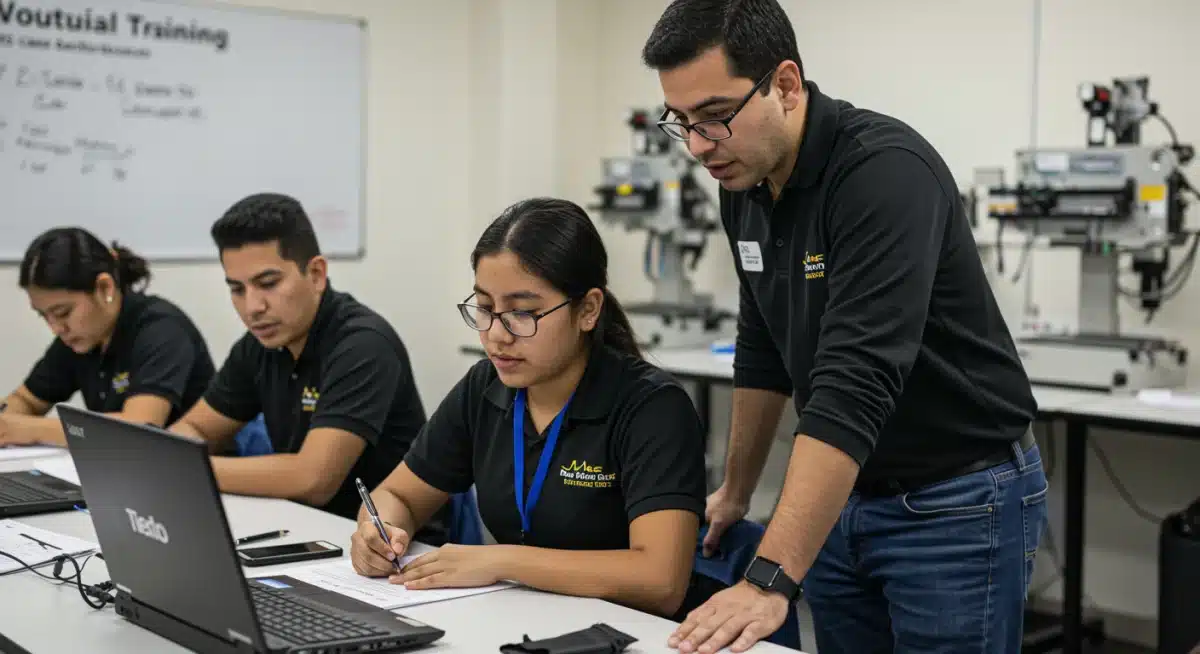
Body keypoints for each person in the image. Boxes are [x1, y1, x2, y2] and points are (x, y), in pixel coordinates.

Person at [641, 2, 1048, 653]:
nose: (696, 147)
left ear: (786, 84)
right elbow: (764, 348)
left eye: (715, 118)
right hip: (842, 496)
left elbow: (853, 382)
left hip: (955, 501)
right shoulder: (740, 183)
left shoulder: (883, 173)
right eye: (681, 123)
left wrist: (769, 577)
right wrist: (736, 493)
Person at [349, 197, 711, 620]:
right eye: (485, 309)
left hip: (633, 633)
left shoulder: (652, 408)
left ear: (588, 310)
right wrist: (379, 531)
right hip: (524, 620)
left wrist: (501, 561)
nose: (496, 336)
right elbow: (397, 495)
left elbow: (660, 581)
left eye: (522, 313)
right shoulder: (485, 386)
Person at [167, 193, 442, 542]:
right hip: (301, 529)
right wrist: (169, 454)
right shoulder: (260, 344)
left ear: (315, 274)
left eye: (268, 283)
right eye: (237, 289)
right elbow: (196, 427)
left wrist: (185, 469)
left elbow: (313, 480)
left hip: (386, 550)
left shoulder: (363, 343)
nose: (252, 306)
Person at [0, 227, 215, 447]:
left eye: (62, 313)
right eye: (43, 316)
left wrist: (32, 429)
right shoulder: (79, 338)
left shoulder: (162, 329)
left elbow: (139, 429)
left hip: (189, 473)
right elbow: (26, 400)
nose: (56, 328)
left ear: (105, 287)